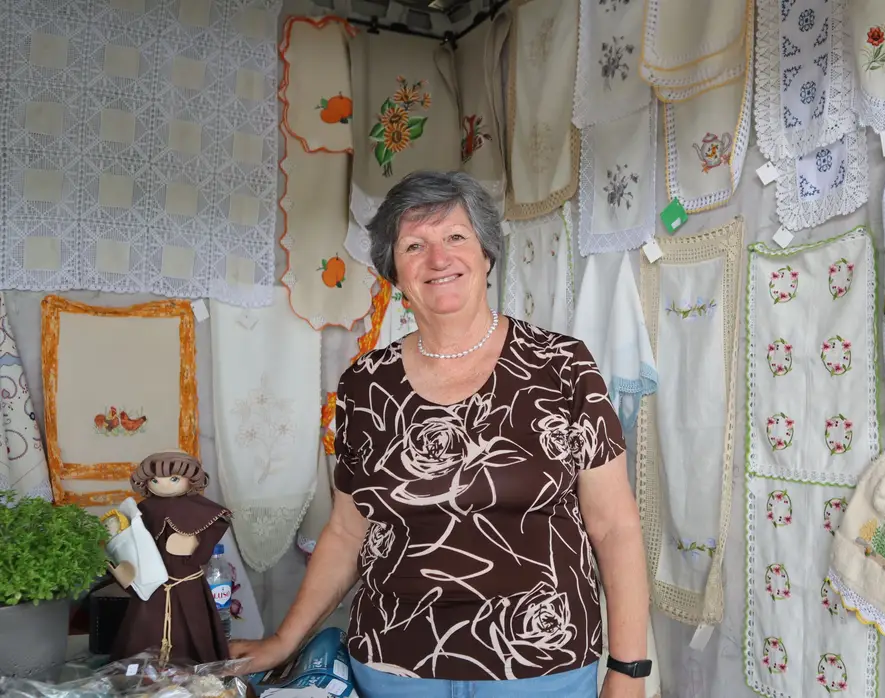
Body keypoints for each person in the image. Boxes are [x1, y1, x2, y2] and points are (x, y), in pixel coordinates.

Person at [231, 172, 651, 698]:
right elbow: (346, 530)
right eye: (414, 245)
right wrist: (284, 640)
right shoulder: (365, 384)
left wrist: (629, 671)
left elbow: (614, 526)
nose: (438, 259)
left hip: (541, 665)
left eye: (456, 237)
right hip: (393, 665)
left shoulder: (562, 366)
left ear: (486, 254)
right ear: (395, 272)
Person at [111, 452, 231, 664]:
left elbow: (210, 538)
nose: (163, 485)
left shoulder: (200, 508)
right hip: (152, 586)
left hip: (187, 584)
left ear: (190, 479)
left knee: (194, 629)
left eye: (173, 479)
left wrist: (196, 545)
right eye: (155, 480)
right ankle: (140, 676)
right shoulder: (144, 509)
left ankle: (197, 673)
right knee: (143, 631)